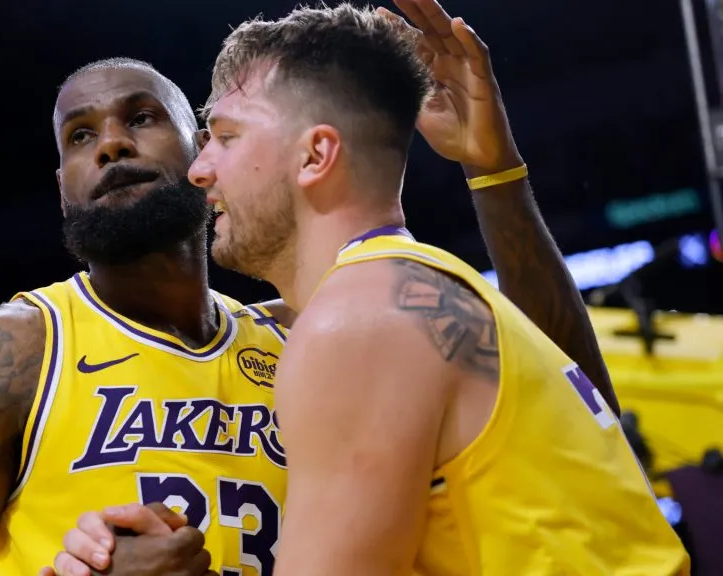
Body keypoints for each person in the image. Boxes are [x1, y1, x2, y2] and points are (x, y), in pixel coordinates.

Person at [0, 14, 616, 574]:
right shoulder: (3, 352)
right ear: (61, 188)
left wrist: (497, 176)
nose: (110, 143)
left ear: (203, 158)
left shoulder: (319, 334)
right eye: (78, 137)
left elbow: (566, 402)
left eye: (141, 118)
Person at [49, 1, 688, 575]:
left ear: (314, 156)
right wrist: (495, 172)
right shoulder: (438, 291)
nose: (199, 168)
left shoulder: (358, 321)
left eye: (225, 136)